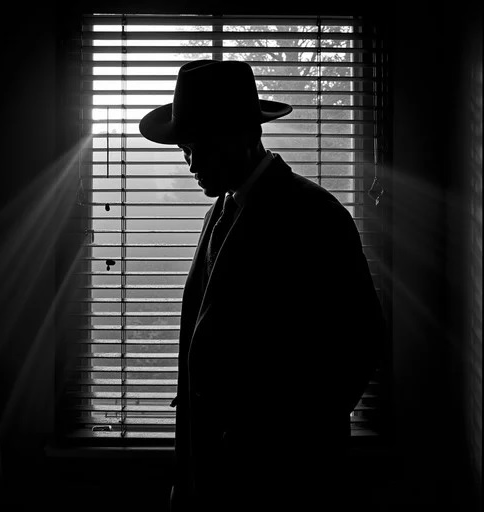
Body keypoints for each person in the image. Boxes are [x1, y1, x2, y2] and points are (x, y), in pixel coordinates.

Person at [139, 60, 385, 512]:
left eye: (201, 146)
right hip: (213, 481)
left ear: (243, 136)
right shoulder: (220, 212)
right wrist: (189, 471)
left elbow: (360, 342)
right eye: (185, 148)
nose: (191, 162)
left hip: (284, 485)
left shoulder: (314, 215)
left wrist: (280, 441)